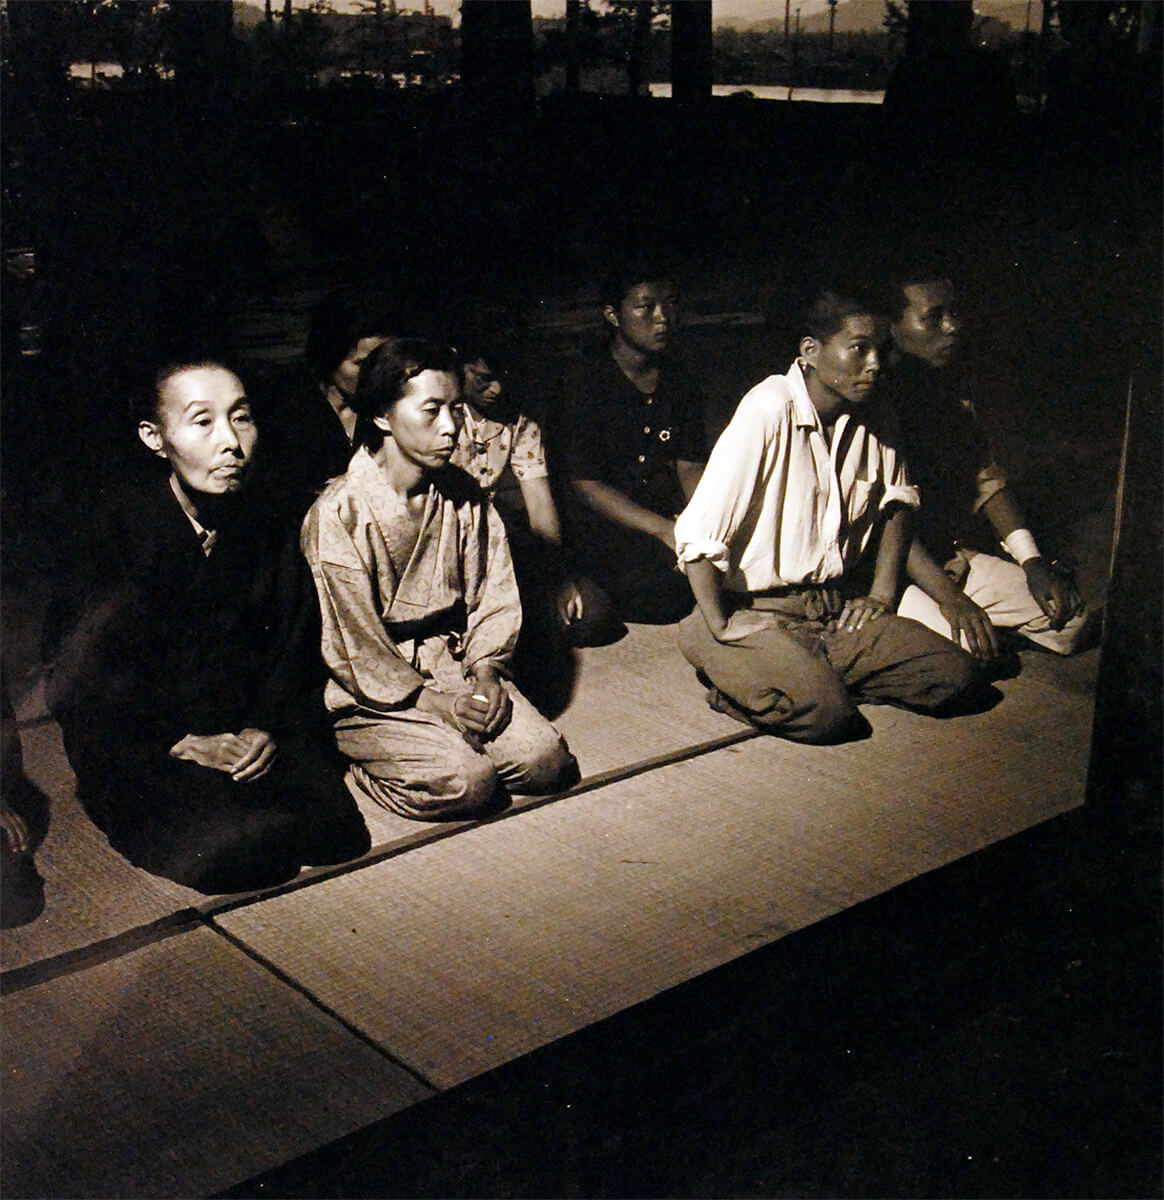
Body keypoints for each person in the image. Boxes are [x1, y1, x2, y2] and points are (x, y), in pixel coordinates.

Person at [44, 361, 370, 894]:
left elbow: (292, 642)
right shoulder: (113, 534)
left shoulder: (265, 519)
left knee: (336, 834)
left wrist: (266, 728)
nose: (231, 443)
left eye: (240, 419)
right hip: (145, 739)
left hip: (246, 731)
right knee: (243, 854)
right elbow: (79, 678)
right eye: (203, 423)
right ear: (154, 437)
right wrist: (180, 741)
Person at [674, 287, 983, 744]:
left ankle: (811, 676)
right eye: (859, 349)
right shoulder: (769, 408)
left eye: (880, 349)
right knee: (829, 718)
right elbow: (696, 534)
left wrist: (879, 594)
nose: (874, 364)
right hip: (756, 611)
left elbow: (897, 503)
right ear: (810, 352)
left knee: (957, 677)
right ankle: (743, 676)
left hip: (833, 612)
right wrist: (721, 622)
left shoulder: (877, 413)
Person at [301, 337, 579, 820]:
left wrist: (487, 672)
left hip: (449, 659)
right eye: (431, 411)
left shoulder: (462, 493)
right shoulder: (338, 514)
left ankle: (444, 740)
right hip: (372, 687)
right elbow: (353, 647)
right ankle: (365, 761)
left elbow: (491, 597)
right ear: (383, 417)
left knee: (546, 764)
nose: (451, 427)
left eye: (454, 408)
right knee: (470, 784)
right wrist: (435, 703)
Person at [886, 270, 1089, 658]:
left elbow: (985, 478)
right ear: (893, 328)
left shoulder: (947, 389)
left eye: (953, 313)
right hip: (891, 575)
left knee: (1071, 620)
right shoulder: (870, 401)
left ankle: (975, 632)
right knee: (955, 656)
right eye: (932, 317)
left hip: (948, 558)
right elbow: (885, 525)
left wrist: (1032, 562)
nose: (951, 326)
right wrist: (950, 600)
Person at [553, 263, 707, 629]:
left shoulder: (680, 378)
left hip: (658, 522)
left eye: (670, 304)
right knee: (594, 620)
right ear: (612, 314)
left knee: (684, 587)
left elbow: (690, 465)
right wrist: (664, 530)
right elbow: (586, 486)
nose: (662, 318)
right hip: (602, 526)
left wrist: (702, 523)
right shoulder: (583, 382)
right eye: (645, 306)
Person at [450, 333, 612, 653]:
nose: (496, 389)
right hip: (446, 544)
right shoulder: (441, 414)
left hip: (494, 538)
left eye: (505, 378)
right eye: (484, 378)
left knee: (592, 613)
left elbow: (539, 502)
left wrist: (559, 577)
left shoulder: (518, 417)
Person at [253, 291, 398, 524]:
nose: (374, 374)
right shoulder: (286, 407)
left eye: (382, 362)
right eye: (361, 364)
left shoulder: (386, 408)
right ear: (330, 356)